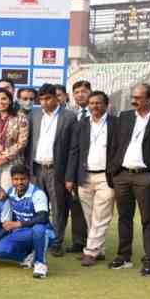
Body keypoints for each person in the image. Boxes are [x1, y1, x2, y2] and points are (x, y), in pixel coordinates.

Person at [109, 83, 150, 276]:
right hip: (122, 175)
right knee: (124, 218)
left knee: (147, 220)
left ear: (149, 99)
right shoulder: (126, 117)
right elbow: (116, 144)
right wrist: (113, 171)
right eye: (132, 96)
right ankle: (123, 256)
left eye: (137, 97)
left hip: (146, 177)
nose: (133, 100)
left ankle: (149, 261)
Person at [65, 91, 117, 266]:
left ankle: (91, 251)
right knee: (89, 216)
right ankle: (99, 249)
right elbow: (74, 151)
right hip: (84, 176)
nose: (94, 106)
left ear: (106, 105)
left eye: (98, 103)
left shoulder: (116, 124)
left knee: (101, 215)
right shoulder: (81, 124)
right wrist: (70, 177)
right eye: (92, 103)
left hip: (106, 177)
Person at [25, 83, 77, 257]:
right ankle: (38, 238)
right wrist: (28, 170)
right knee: (37, 207)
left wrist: (70, 176)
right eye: (41, 99)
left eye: (48, 98)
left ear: (56, 98)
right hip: (37, 168)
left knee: (58, 208)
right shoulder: (34, 114)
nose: (44, 102)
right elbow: (29, 143)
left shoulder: (69, 117)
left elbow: (72, 149)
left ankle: (57, 242)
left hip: (57, 170)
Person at [0, 164, 53, 279]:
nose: (19, 182)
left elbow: (43, 218)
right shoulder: (10, 192)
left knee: (38, 228)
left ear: (29, 179)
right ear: (12, 180)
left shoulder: (38, 194)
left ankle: (40, 263)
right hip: (23, 233)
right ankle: (28, 257)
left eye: (23, 179)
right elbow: (8, 224)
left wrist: (18, 224)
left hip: (43, 232)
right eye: (16, 179)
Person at [67, 79, 93, 253]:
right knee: (75, 207)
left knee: (93, 210)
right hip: (73, 167)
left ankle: (93, 244)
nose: (80, 95)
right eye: (76, 92)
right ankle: (78, 242)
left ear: (90, 93)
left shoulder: (101, 113)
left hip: (92, 168)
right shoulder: (71, 115)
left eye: (84, 91)